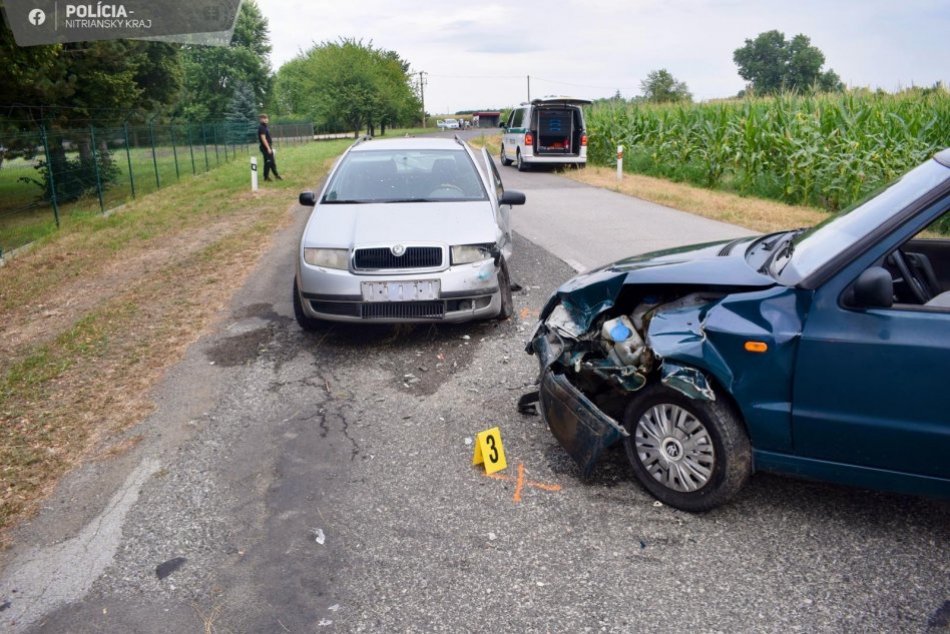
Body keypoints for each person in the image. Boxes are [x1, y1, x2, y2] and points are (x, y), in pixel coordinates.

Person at [257, 114, 282, 181]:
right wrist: (268, 148)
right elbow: (263, 139)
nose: (265, 119)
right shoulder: (261, 127)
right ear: (260, 119)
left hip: (268, 146)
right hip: (265, 147)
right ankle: (266, 177)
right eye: (263, 118)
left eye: (266, 118)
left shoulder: (265, 127)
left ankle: (276, 175)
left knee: (271, 162)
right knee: (268, 162)